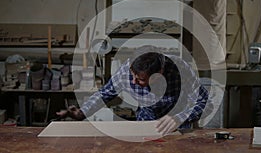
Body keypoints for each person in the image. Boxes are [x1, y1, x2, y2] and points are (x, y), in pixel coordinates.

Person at [57, 45, 209, 135]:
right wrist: (82, 112)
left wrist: (181, 117)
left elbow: (202, 100)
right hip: (147, 117)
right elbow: (104, 94)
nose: (134, 81)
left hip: (177, 119)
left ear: (158, 75)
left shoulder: (180, 68)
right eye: (132, 75)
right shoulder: (126, 72)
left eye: (141, 79)